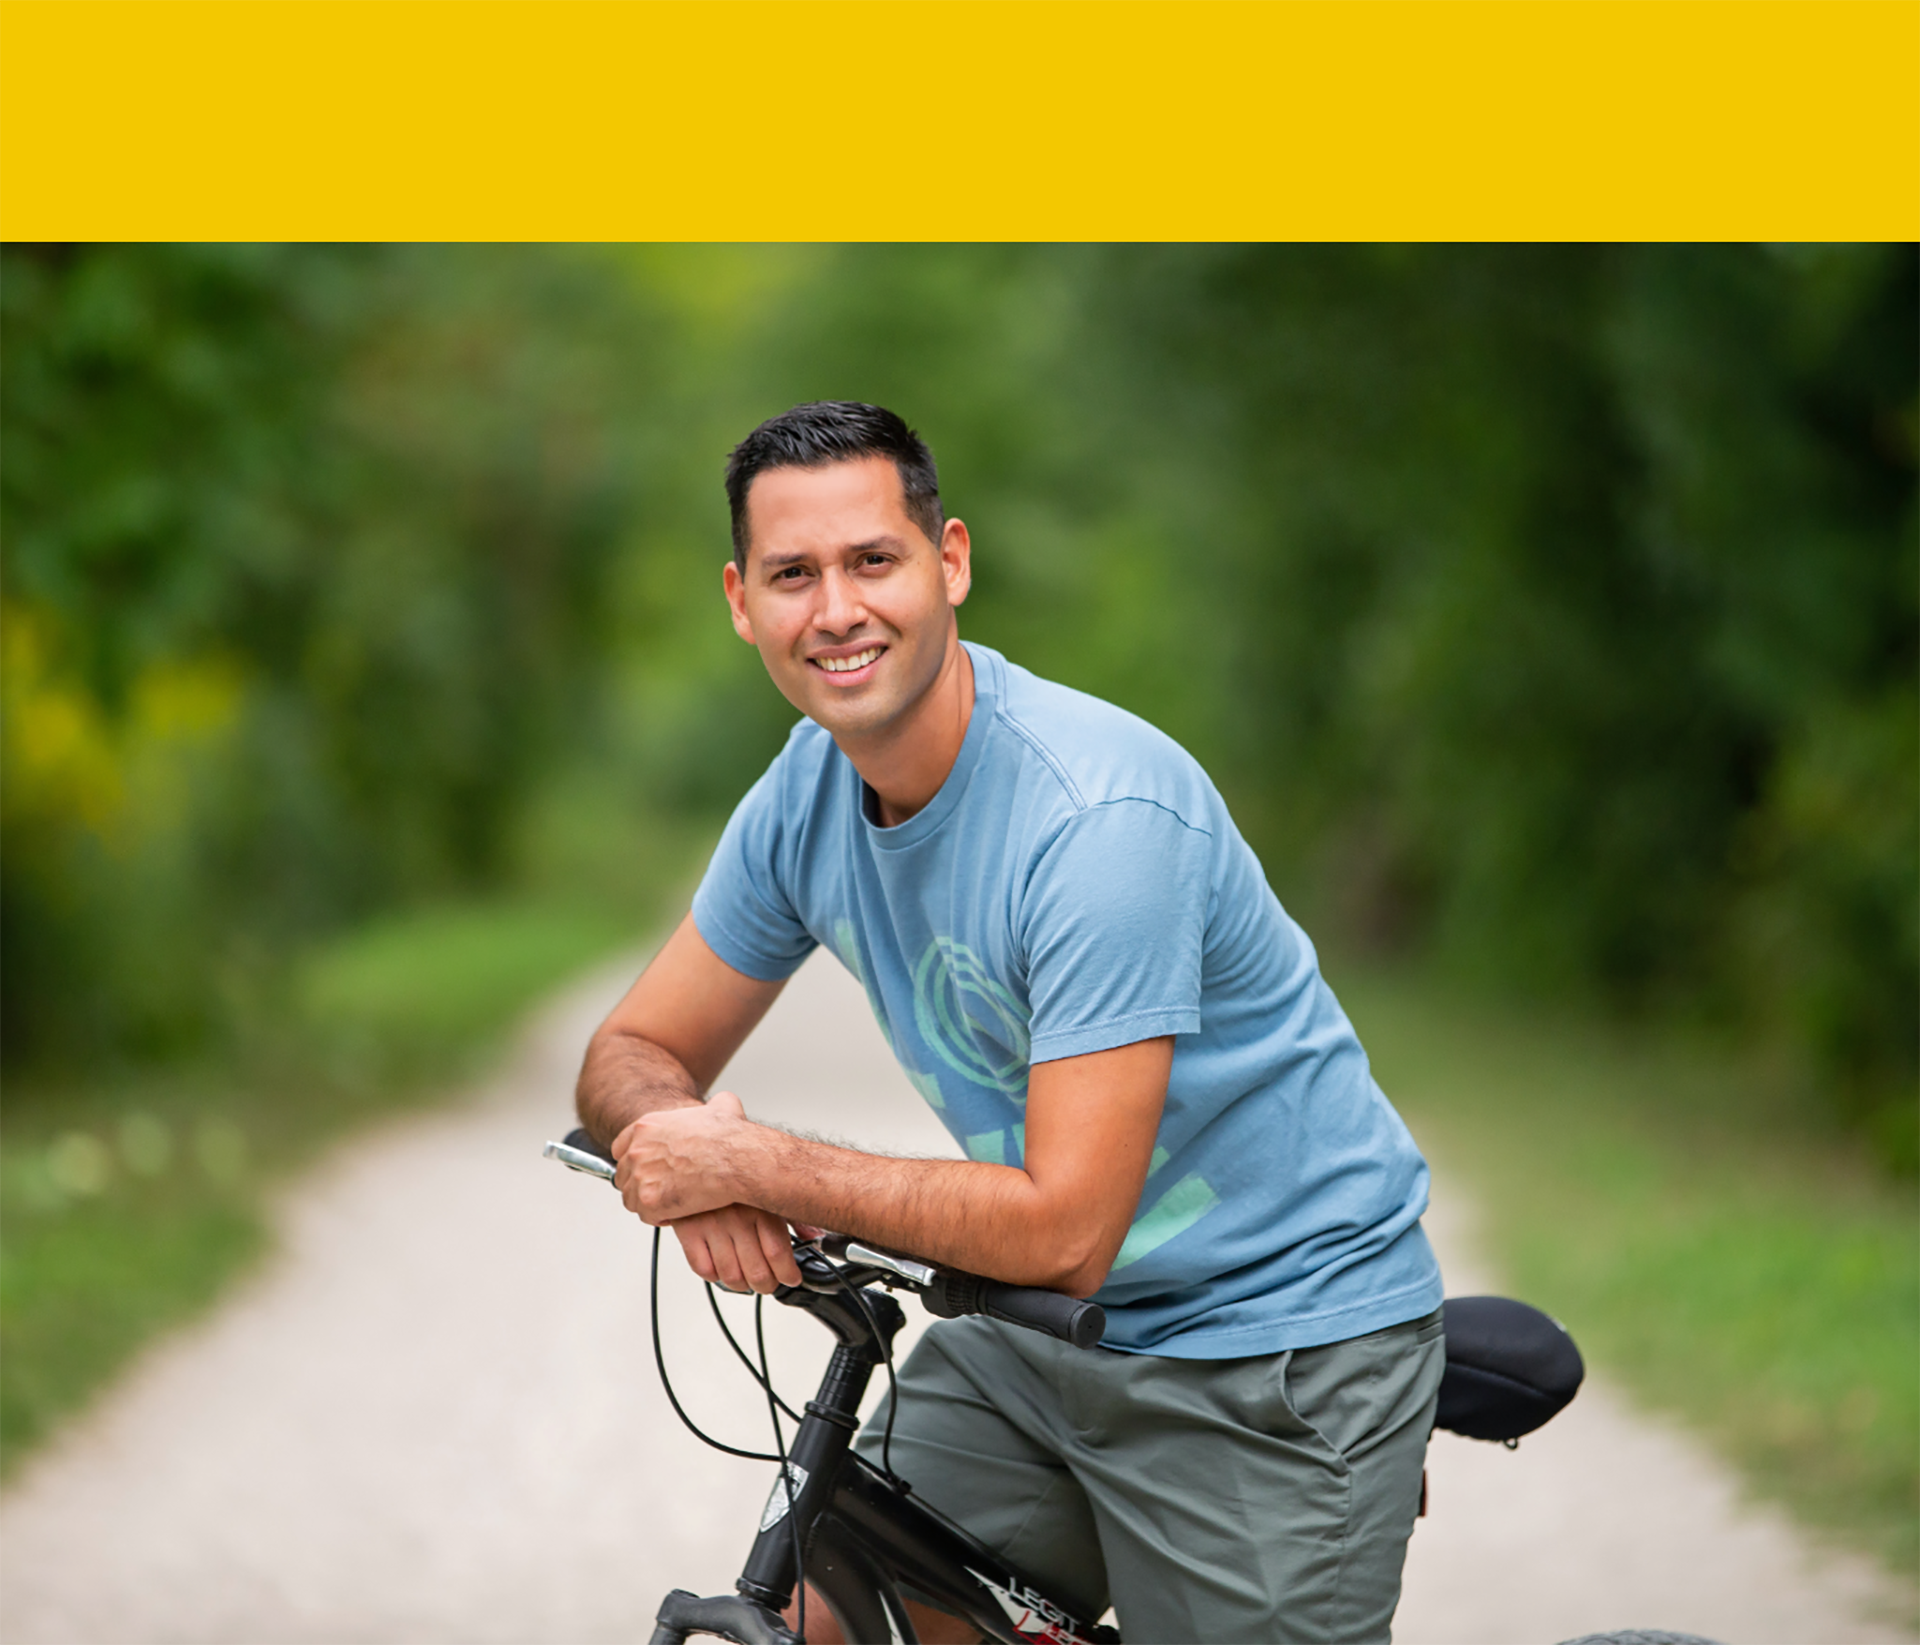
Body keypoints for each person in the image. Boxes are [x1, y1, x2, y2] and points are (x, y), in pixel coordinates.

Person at [575, 401, 1445, 1645]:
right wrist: (680, 1149)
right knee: (837, 1608)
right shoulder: (806, 792)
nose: (835, 609)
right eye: (793, 575)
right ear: (739, 600)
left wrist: (754, 1161)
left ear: (952, 563)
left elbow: (1065, 1226)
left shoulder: (1095, 821)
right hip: (1043, 1347)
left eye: (873, 560)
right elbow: (627, 1055)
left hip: (1276, 1352)